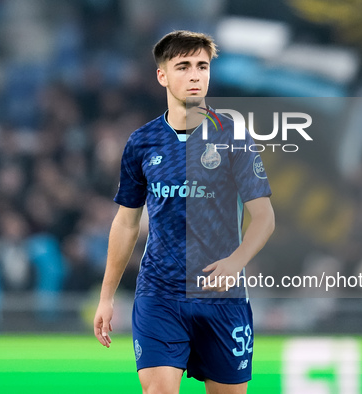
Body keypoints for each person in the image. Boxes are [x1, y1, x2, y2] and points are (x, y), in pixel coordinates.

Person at [94, 30, 275, 394]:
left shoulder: (233, 137)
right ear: (162, 75)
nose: (195, 75)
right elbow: (126, 223)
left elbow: (265, 217)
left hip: (221, 298)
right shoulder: (141, 142)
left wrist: (236, 261)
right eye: (184, 66)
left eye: (202, 66)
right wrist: (107, 295)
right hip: (159, 294)